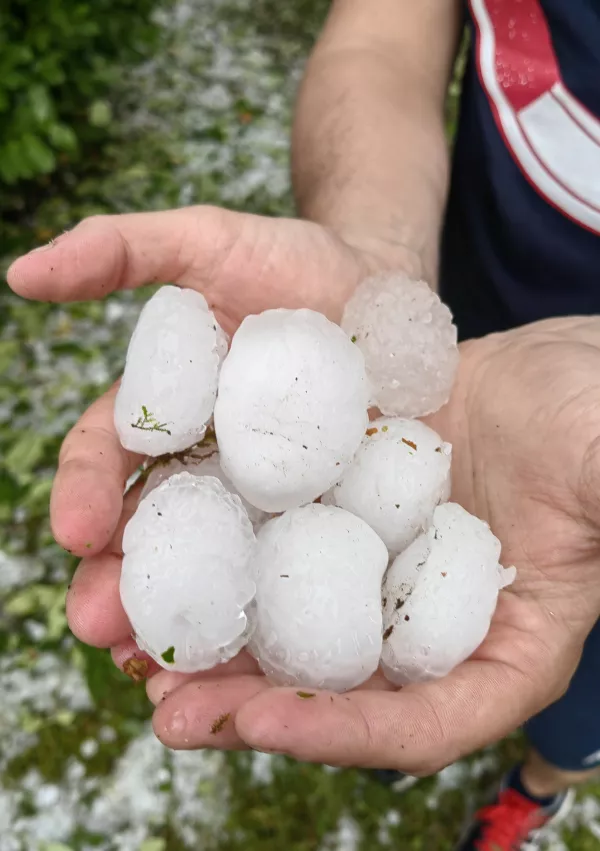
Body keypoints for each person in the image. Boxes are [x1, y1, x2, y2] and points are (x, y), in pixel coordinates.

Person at [6, 1, 600, 848]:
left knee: (579, 698)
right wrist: (377, 248)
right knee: (414, 690)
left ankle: (547, 779)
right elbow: (384, 37)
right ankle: (420, 742)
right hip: (454, 302)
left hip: (559, 426)